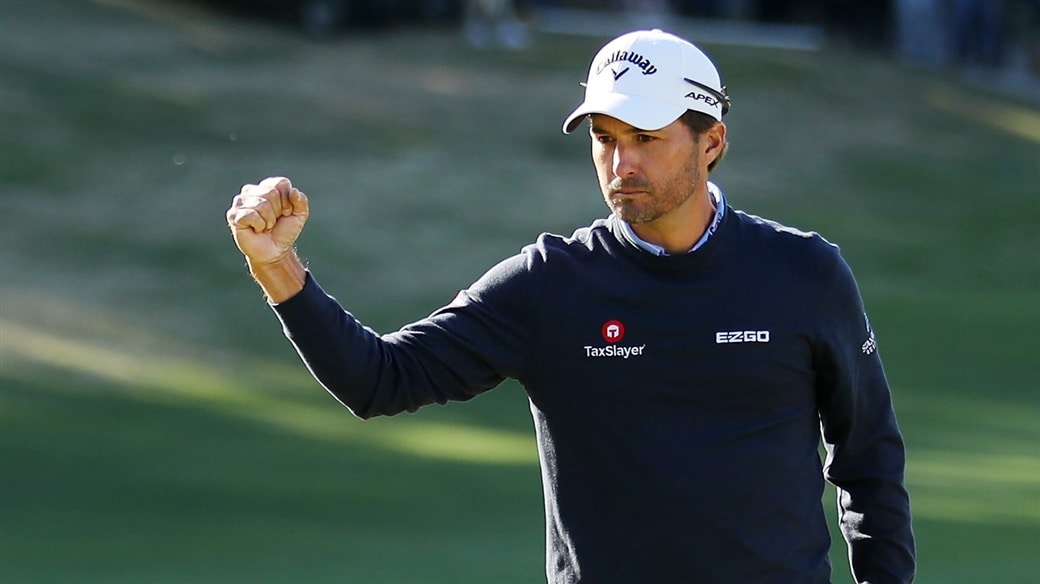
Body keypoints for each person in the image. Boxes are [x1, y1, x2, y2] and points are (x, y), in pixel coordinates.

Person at [226, 29, 915, 583]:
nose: (621, 165)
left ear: (712, 143)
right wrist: (277, 267)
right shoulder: (549, 286)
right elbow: (379, 380)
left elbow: (868, 461)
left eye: (645, 139)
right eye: (605, 139)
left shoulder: (804, 274)